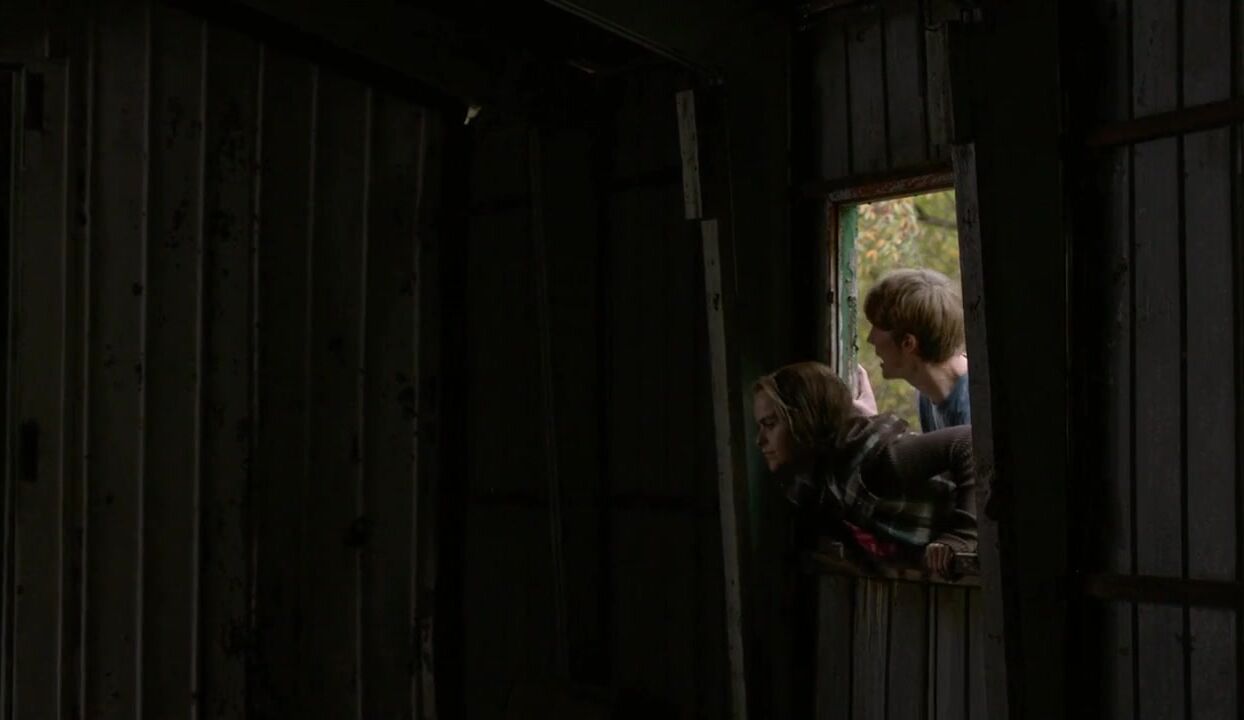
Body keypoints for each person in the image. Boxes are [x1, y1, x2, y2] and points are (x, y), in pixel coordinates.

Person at [753, 361, 976, 574]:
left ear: (805, 420)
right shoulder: (825, 487)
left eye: (770, 424)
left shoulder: (876, 459)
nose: (759, 440)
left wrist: (962, 538)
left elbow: (968, 442)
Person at [863, 268, 969, 432]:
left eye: (877, 327)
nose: (870, 339)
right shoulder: (928, 391)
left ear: (908, 343)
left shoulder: (973, 407)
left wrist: (872, 426)